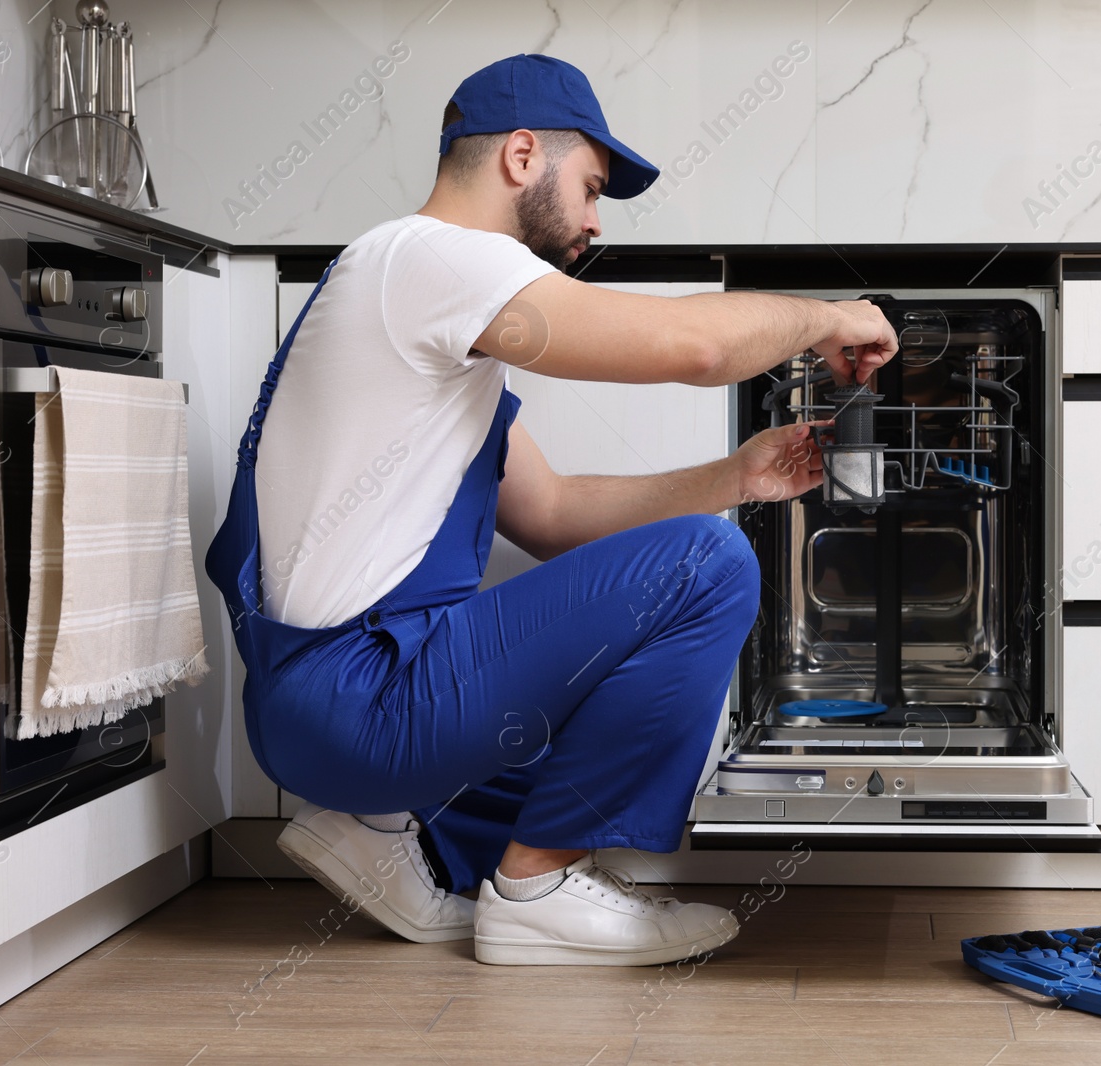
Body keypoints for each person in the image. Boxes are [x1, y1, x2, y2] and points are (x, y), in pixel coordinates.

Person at [205, 53, 896, 967]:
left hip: (303, 714)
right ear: (523, 156)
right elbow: (690, 346)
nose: (594, 220)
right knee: (712, 568)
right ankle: (537, 886)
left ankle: (396, 834)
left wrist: (736, 477)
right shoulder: (438, 260)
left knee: (627, 640)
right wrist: (825, 316)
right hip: (362, 698)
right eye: (591, 186)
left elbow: (556, 511)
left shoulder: (403, 294)